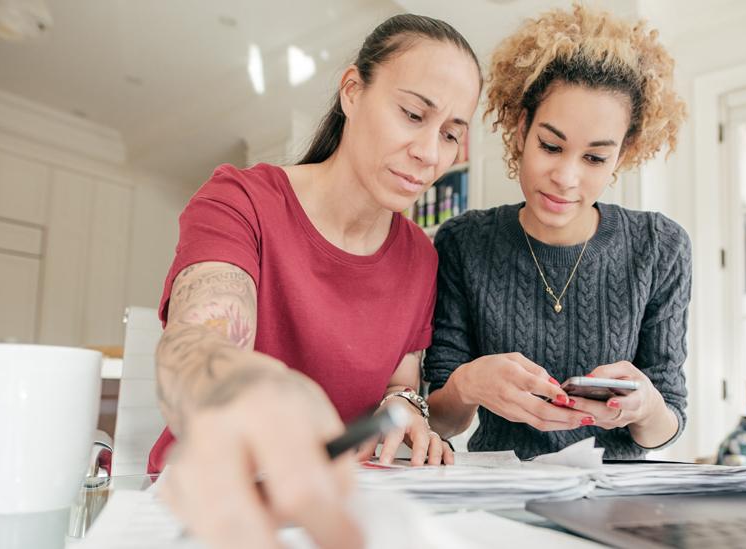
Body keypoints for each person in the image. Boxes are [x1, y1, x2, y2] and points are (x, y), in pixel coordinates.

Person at [152, 14, 481, 549]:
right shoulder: (242, 202)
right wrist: (246, 388)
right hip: (211, 509)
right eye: (412, 114)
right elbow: (198, 338)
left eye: (449, 134)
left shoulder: (421, 256)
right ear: (353, 91)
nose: (429, 153)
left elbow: (400, 382)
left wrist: (405, 407)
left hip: (341, 505)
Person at [424, 4, 690, 461]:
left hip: (615, 497)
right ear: (521, 130)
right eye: (551, 145)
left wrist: (644, 405)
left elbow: (664, 428)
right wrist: (468, 384)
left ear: (621, 156)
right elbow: (440, 422)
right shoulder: (462, 243)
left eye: (594, 158)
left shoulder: (658, 246)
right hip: (500, 492)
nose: (566, 177)